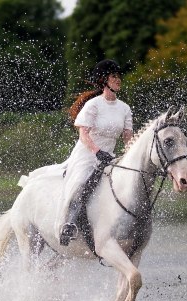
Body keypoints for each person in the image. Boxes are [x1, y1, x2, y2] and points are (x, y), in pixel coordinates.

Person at [58, 59, 133, 246]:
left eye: (118, 76)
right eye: (114, 76)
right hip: (86, 155)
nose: (118, 80)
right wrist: (96, 151)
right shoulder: (93, 105)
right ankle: (69, 224)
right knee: (81, 182)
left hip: (109, 157)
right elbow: (83, 133)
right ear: (104, 80)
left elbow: (128, 137)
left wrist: (129, 156)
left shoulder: (124, 108)